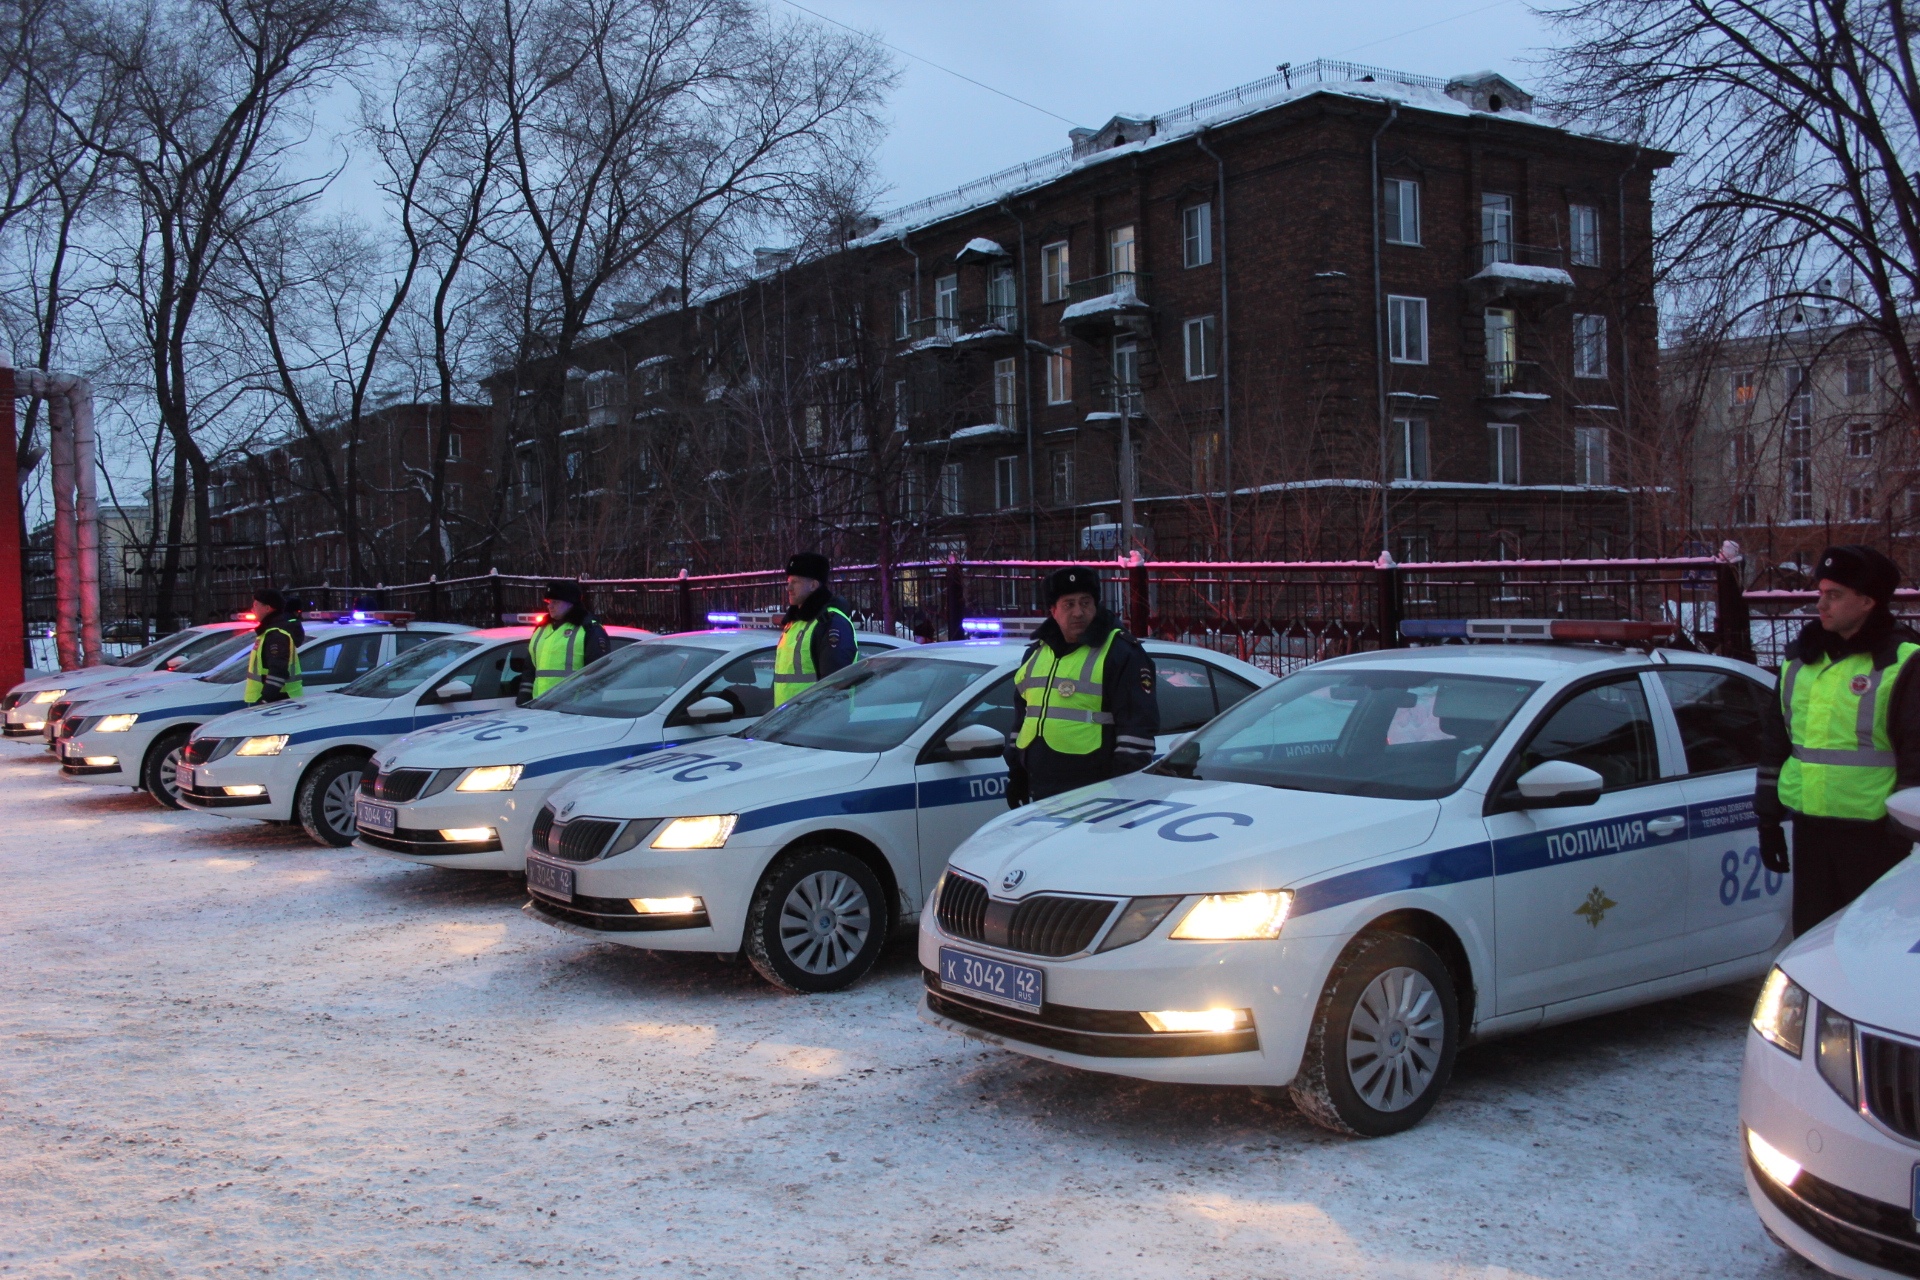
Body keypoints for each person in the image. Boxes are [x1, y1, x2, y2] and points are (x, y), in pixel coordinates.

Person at [1757, 544, 1920, 935]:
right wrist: (1767, 818)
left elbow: (1917, 755)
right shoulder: (1801, 659)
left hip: (1877, 837)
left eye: (1835, 595)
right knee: (1813, 946)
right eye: (1821, 593)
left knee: (1869, 949)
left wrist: (1907, 837)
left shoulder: (1903, 660)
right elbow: (1777, 740)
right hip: (1811, 829)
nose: (1821, 604)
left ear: (1866, 601)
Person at [1004, 566, 1159, 806]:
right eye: (1069, 604)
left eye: (1085, 603)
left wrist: (1120, 791)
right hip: (1040, 788)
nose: (1079, 612)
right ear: (1053, 611)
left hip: (1095, 792)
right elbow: (1022, 720)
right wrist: (1017, 774)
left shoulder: (1120, 652)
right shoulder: (1036, 654)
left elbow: (1137, 728)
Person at [773, 552, 856, 706]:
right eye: (788, 581)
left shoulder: (831, 622)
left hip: (818, 724)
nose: (788, 587)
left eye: (795, 582)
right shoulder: (795, 622)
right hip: (788, 721)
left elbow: (835, 686)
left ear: (813, 585)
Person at [529, 580, 611, 699]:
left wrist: (587, 704)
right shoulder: (542, 628)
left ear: (570, 603)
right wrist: (524, 695)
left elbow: (598, 672)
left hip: (572, 708)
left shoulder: (588, 628)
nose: (550, 606)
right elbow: (530, 669)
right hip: (539, 705)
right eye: (549, 601)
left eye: (555, 602)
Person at [243, 588, 306, 705]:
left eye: (256, 605)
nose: (252, 609)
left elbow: (278, 671)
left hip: (277, 703)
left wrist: (265, 700)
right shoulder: (270, 632)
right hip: (276, 701)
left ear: (267, 608)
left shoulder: (276, 635)